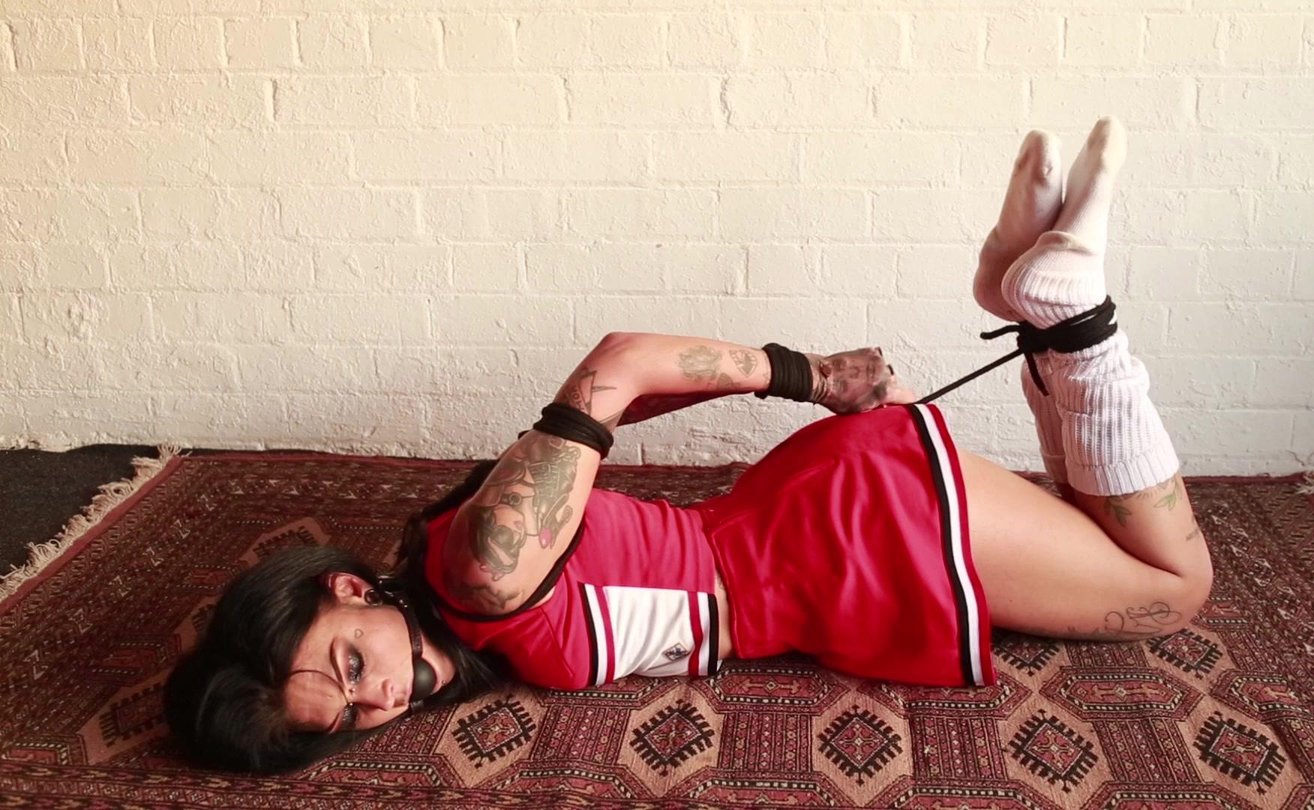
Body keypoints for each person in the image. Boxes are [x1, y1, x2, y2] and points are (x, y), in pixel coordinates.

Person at [165, 118, 1213, 773]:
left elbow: (617, 366)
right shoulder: (454, 562)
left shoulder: (482, 568)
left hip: (843, 545)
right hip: (810, 525)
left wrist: (813, 376)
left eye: (351, 664)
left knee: (1173, 590)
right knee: (1096, 536)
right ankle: (1032, 302)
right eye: (344, 716)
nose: (380, 699)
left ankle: (1075, 317)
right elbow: (601, 429)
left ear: (350, 590)